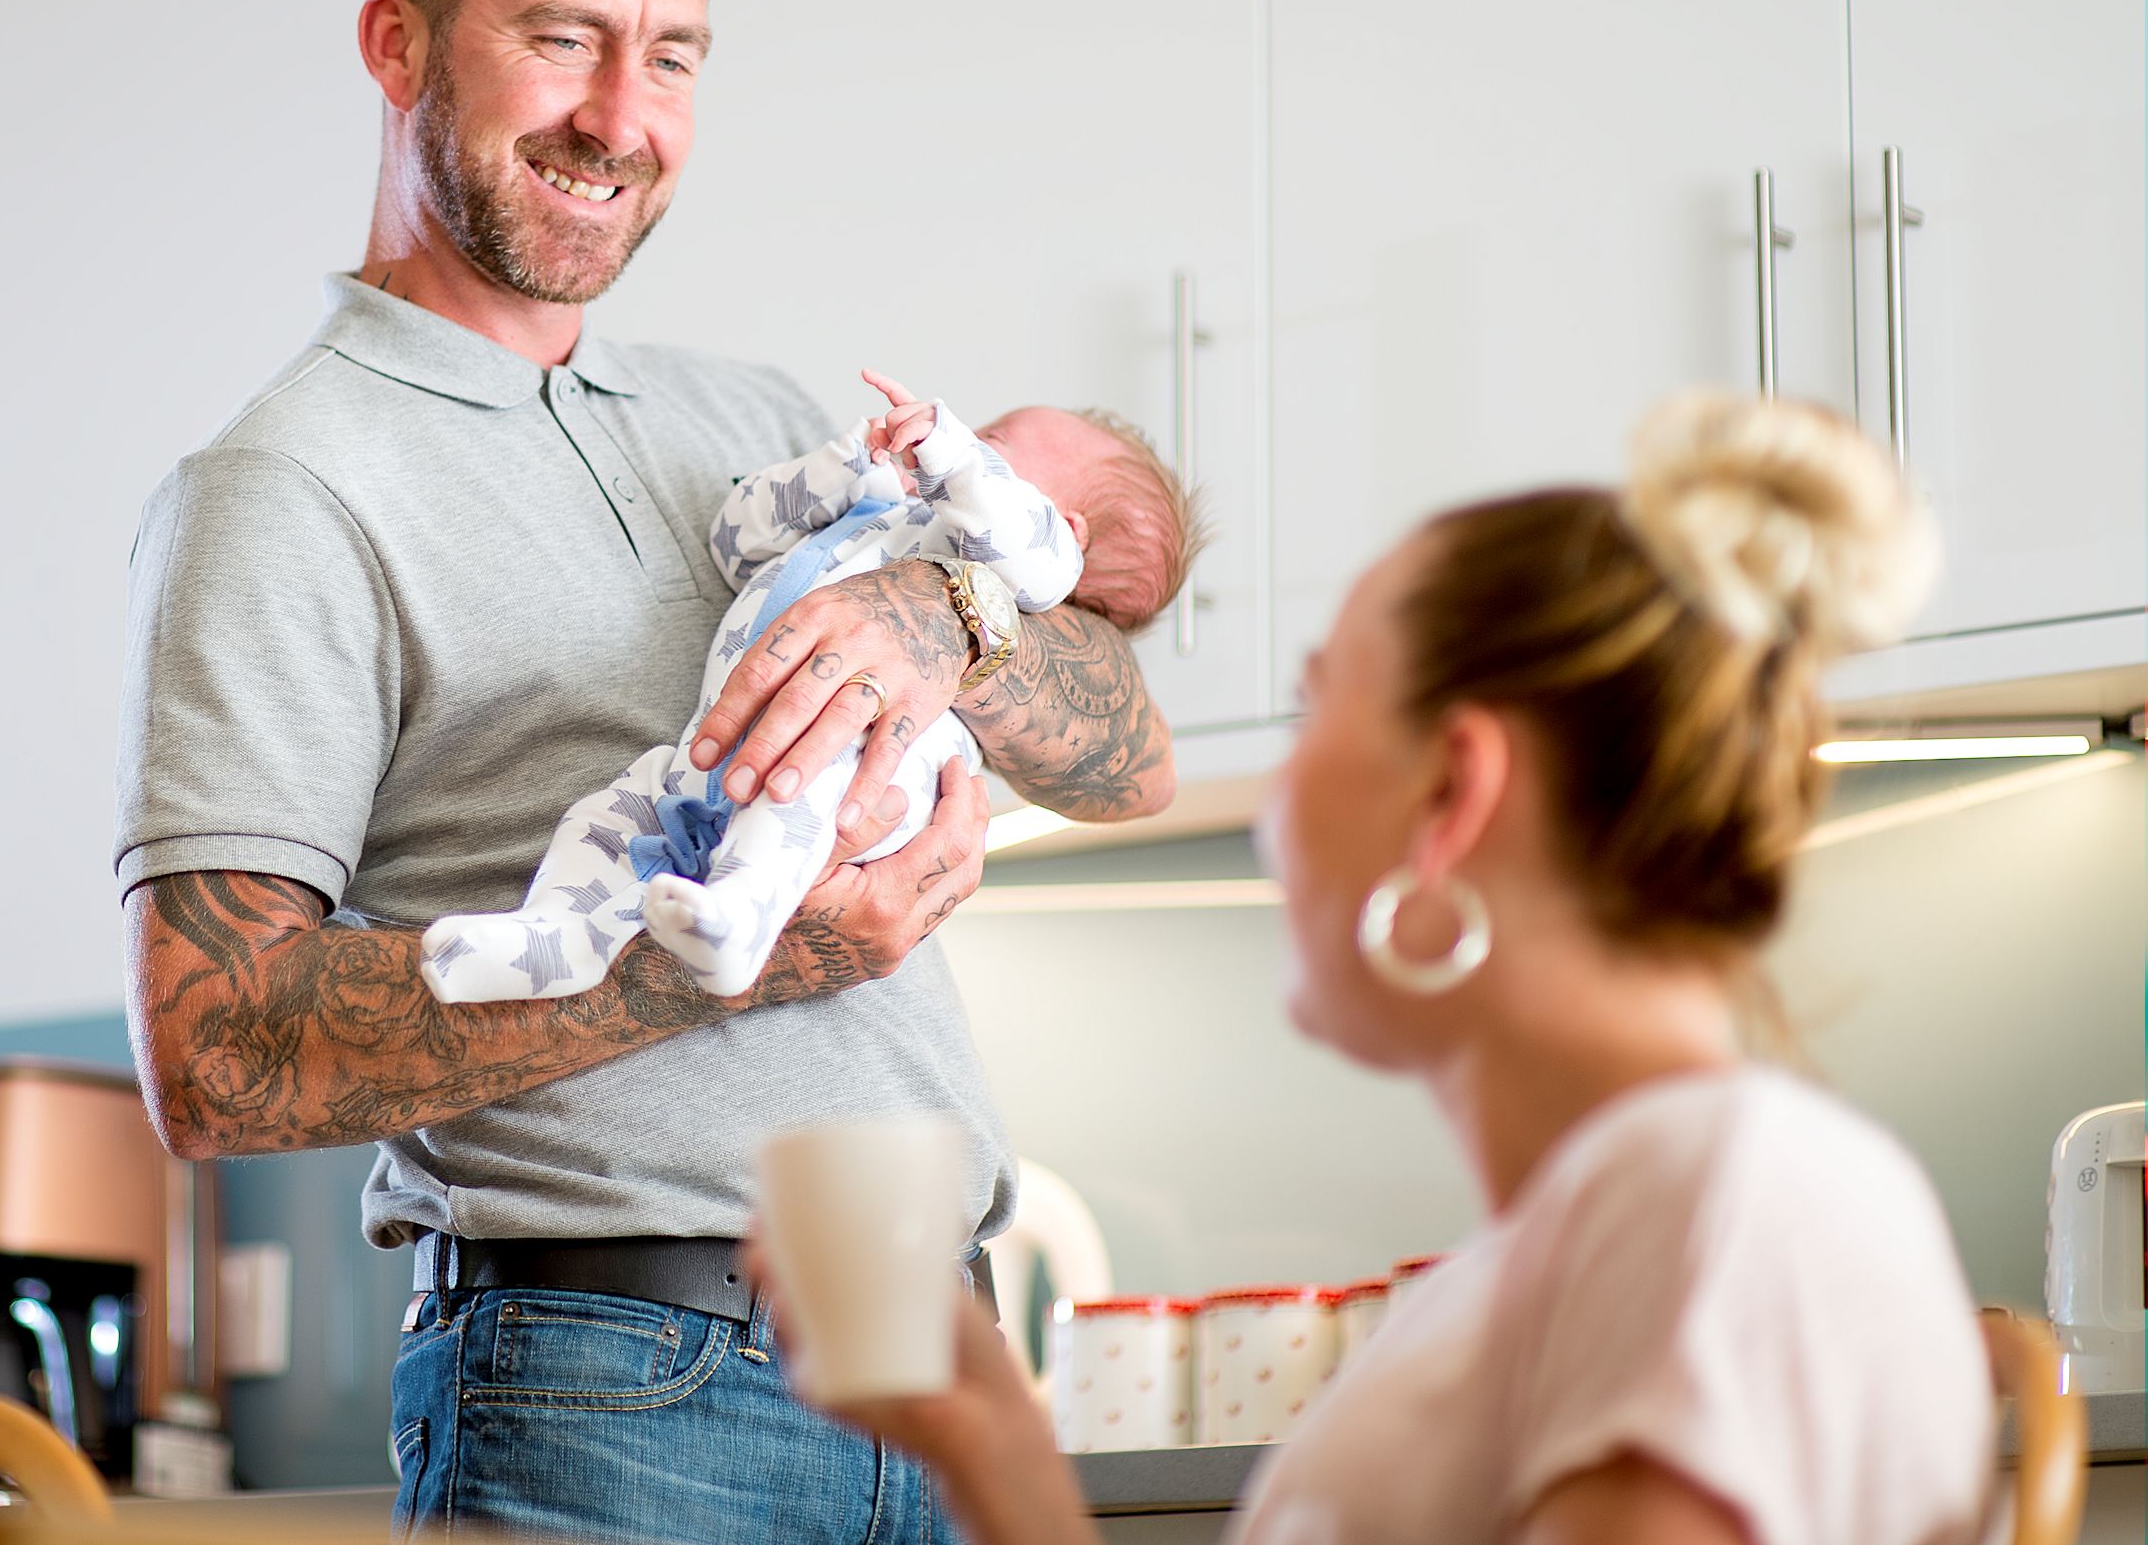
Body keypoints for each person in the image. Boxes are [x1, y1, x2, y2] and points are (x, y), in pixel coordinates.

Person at [114, 0, 1175, 1544]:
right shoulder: (282, 492)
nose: (621, 118)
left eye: (669, 54)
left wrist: (949, 621)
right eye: (559, 42)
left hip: (941, 1368)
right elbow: (214, 1053)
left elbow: (1129, 761)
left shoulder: (764, 424)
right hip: (612, 1386)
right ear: (397, 45)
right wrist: (733, 962)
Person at [803, 391, 1996, 1545]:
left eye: (1316, 715)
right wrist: (1003, 1476)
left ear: (1450, 796)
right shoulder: (1600, 1238)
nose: (1275, 808)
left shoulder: (1716, 1208)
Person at [422, 371, 1195, 1003]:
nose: (955, 438)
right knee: (618, 811)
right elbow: (735, 543)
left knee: (795, 799)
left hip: (851, 769)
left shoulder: (1029, 561)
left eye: (991, 444)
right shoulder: (875, 519)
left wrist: (957, 461)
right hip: (718, 751)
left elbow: (1031, 559)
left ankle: (738, 922)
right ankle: (559, 935)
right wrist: (835, 472)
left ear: (1066, 527)